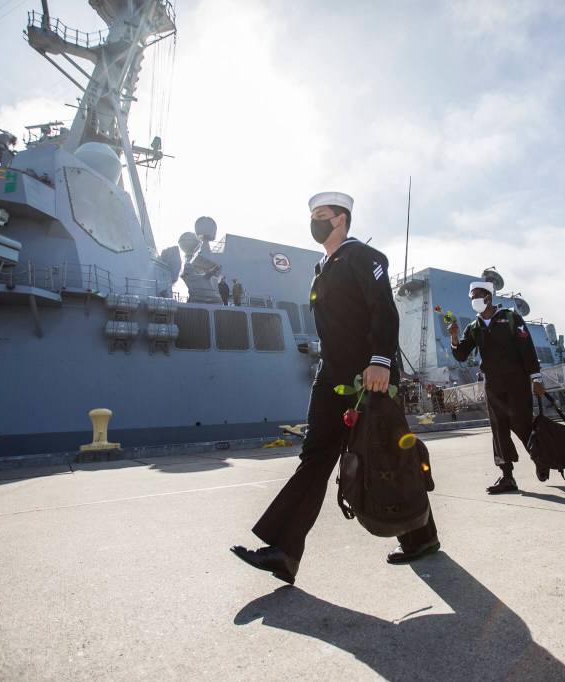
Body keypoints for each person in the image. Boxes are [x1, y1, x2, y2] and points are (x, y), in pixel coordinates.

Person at [231, 191, 440, 584]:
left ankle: (421, 537)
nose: (315, 221)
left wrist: (380, 359)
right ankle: (284, 551)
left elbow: (383, 308)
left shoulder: (362, 256)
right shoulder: (322, 267)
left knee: (388, 456)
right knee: (315, 456)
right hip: (332, 375)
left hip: (369, 376)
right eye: (312, 215)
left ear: (341, 219)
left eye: (321, 215)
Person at [450, 282, 546, 493]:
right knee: (498, 428)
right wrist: (454, 337)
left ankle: (540, 458)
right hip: (493, 384)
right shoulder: (473, 327)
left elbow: (527, 348)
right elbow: (461, 355)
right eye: (471, 297)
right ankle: (507, 476)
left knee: (521, 423)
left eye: (477, 296)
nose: (473, 300)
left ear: (488, 297)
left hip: (517, 381)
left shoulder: (511, 318)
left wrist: (536, 377)